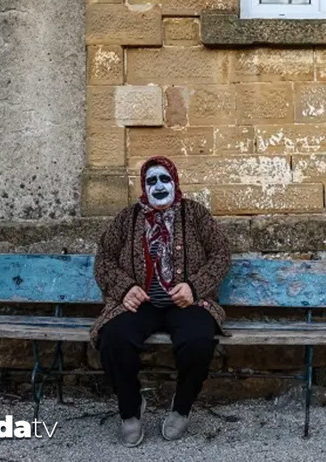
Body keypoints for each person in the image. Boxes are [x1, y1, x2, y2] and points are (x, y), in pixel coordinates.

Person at [90, 156, 231, 447]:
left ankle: (182, 406)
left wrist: (194, 287)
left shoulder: (195, 214)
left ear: (175, 182)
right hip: (141, 304)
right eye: (151, 181)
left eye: (164, 179)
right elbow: (104, 258)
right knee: (114, 338)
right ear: (143, 186)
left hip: (187, 303)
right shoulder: (127, 218)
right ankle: (130, 408)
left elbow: (221, 254)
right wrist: (125, 288)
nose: (158, 186)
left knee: (198, 340)